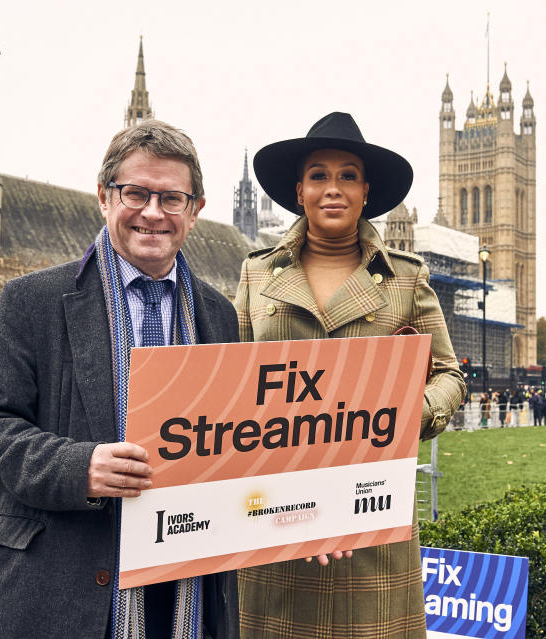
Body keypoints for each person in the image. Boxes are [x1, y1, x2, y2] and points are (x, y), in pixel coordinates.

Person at [0, 119, 240, 638]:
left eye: (172, 198)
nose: (153, 212)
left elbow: (240, 442)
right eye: (136, 193)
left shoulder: (219, 315)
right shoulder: (32, 300)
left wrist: (313, 512)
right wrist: (77, 466)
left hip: (182, 590)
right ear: (105, 198)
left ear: (194, 211)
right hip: (61, 588)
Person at [233, 112, 465, 638]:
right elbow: (231, 382)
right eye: (318, 175)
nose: (331, 189)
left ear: (366, 192)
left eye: (347, 176)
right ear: (298, 191)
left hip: (371, 522)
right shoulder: (254, 274)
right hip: (276, 519)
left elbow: (449, 375)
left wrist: (407, 414)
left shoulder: (407, 279)